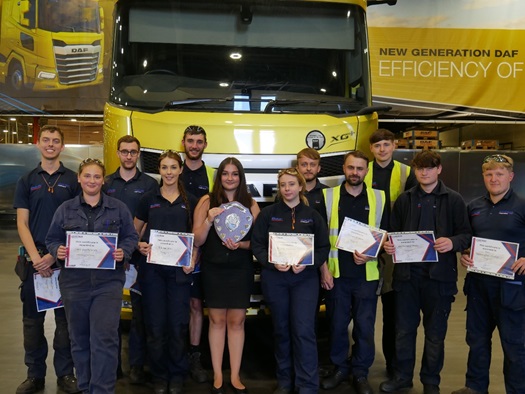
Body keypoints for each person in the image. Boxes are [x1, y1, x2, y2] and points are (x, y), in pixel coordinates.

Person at [379, 150, 471, 394]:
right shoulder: (405, 200)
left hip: (439, 279)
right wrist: (389, 244)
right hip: (407, 279)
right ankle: (402, 377)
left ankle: (431, 382)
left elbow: (466, 234)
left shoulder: (454, 200)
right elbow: (392, 232)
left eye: (429, 168)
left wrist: (452, 242)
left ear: (439, 169)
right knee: (404, 332)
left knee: (435, 336)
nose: (424, 172)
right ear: (415, 170)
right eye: (420, 168)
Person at [46, 158, 138, 394]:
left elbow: (130, 237)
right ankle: (86, 388)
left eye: (97, 177)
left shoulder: (118, 208)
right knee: (79, 339)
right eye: (87, 176)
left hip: (107, 285)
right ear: (79, 178)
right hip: (74, 284)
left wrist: (123, 252)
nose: (92, 181)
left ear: (103, 180)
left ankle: (103, 390)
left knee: (105, 339)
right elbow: (52, 238)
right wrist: (58, 250)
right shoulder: (65, 210)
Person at [13, 125, 80, 394]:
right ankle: (35, 375)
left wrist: (53, 256)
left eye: (56, 141)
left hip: (64, 259)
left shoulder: (74, 180)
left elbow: (77, 222)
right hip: (34, 262)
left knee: (65, 322)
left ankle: (65, 374)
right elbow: (22, 223)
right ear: (38, 143)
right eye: (46, 140)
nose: (50, 144)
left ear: (62, 146)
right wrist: (36, 258)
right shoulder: (27, 180)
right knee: (32, 322)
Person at [251, 168, 330, 394]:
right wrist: (271, 262)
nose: (287, 189)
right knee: (281, 330)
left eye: (292, 184)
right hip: (275, 279)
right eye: (283, 185)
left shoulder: (313, 215)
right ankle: (285, 382)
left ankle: (307, 385)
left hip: (304, 280)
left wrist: (309, 263)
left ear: (300, 187)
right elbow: (257, 244)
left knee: (304, 330)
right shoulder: (268, 214)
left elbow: (323, 247)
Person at [452, 154, 525, 394]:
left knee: (515, 347)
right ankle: (474, 388)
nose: (494, 179)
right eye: (489, 174)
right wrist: (464, 253)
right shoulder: (473, 207)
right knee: (477, 342)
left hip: (512, 290)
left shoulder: (522, 206)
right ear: (483, 176)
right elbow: (466, 239)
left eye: (500, 174)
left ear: (510, 177)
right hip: (478, 288)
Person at [320, 151, 386, 394]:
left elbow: (386, 234)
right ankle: (339, 369)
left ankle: (360, 373)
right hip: (337, 274)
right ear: (344, 169)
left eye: (360, 168)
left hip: (366, 276)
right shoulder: (329, 196)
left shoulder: (379, 198)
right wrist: (324, 269)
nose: (355, 173)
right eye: (351, 168)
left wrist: (373, 253)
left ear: (366, 171)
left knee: (364, 327)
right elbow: (320, 237)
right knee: (336, 325)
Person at [193, 157, 260, 394]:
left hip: (240, 270)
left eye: (234, 174)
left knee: (237, 322)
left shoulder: (250, 203)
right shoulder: (206, 201)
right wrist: (210, 219)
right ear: (219, 176)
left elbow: (259, 243)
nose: (229, 178)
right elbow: (198, 239)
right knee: (216, 320)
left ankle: (236, 374)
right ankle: (218, 375)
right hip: (214, 269)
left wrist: (240, 246)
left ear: (241, 178)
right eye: (225, 173)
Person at [134, 150, 197, 394]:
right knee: (156, 326)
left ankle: (178, 374)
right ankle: (160, 376)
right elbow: (133, 232)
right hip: (152, 273)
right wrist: (138, 245)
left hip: (180, 273)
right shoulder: (148, 199)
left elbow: (196, 238)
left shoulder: (190, 201)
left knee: (178, 325)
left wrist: (193, 258)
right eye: (164, 167)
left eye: (173, 167)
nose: (169, 172)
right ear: (158, 171)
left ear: (181, 170)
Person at [104, 135, 158, 384]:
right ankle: (112, 367)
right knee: (110, 315)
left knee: (139, 317)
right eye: (124, 151)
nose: (128, 156)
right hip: (109, 259)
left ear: (138, 155)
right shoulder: (106, 183)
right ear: (118, 153)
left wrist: (135, 243)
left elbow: (149, 217)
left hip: (138, 260)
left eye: (133, 152)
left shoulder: (149, 184)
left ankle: (137, 367)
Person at [363, 128, 417, 378]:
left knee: (393, 311)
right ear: (371, 149)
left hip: (395, 250)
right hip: (367, 246)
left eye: (386, 144)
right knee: (363, 310)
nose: (382, 149)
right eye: (377, 146)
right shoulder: (363, 171)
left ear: (394, 145)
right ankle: (360, 361)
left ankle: (393, 365)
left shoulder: (406, 172)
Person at [180, 125, 215, 384]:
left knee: (196, 305)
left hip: (202, 249)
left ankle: (194, 357)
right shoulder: (172, 169)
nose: (194, 145)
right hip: (173, 248)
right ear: (183, 142)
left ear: (205, 144)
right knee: (172, 305)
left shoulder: (212, 174)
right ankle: (173, 357)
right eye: (190, 140)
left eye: (199, 141)